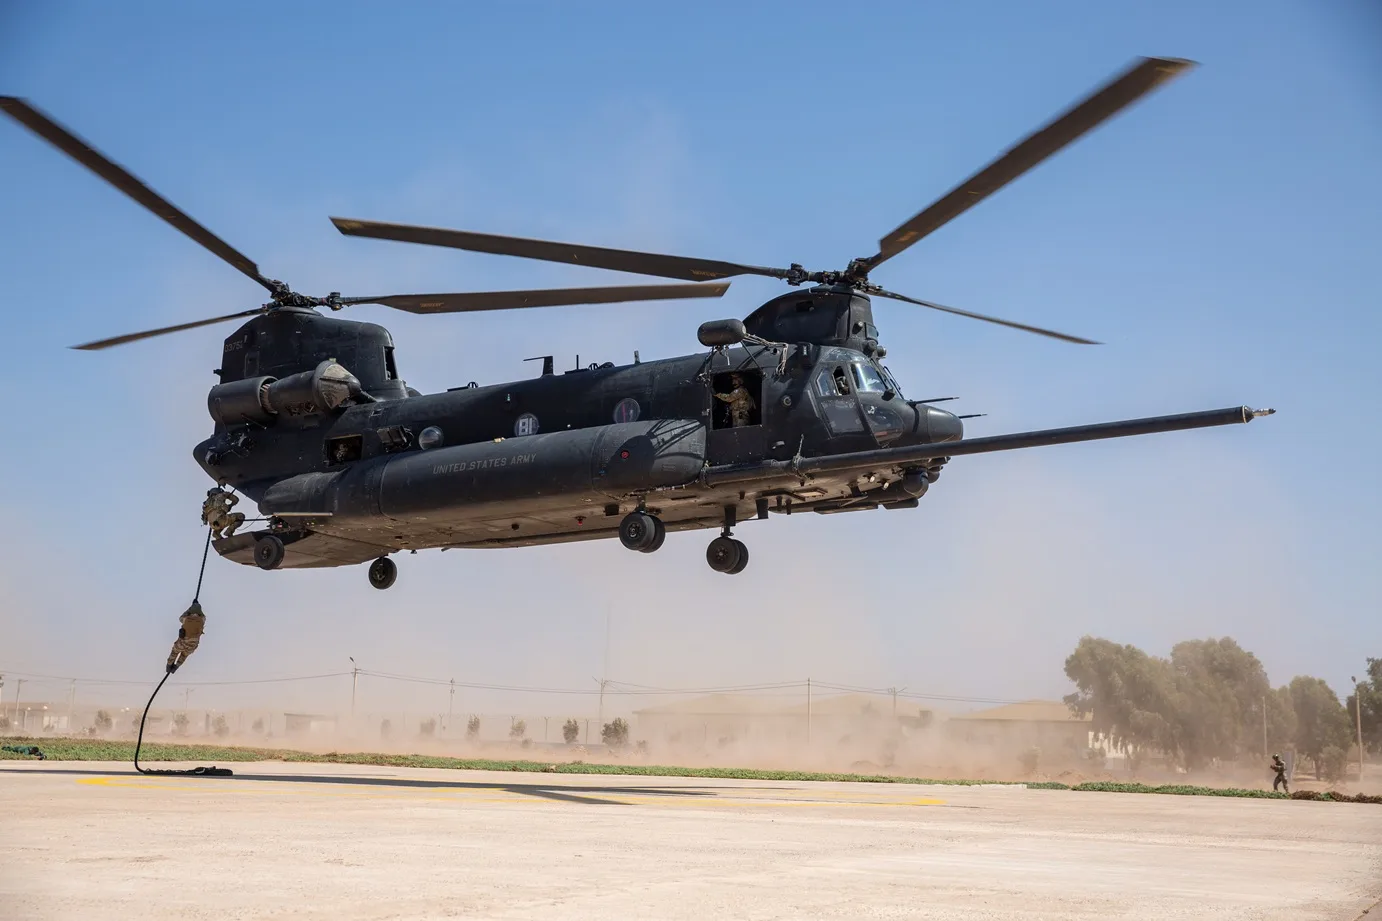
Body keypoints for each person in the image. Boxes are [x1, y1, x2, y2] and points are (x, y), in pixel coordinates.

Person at [166, 601, 206, 674]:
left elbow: (180, 618)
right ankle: (176, 667)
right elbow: (203, 616)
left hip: (183, 642)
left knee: (174, 652)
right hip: (193, 645)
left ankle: (169, 666)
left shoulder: (186, 619)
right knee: (184, 656)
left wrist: (190, 608)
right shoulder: (202, 620)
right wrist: (196, 605)